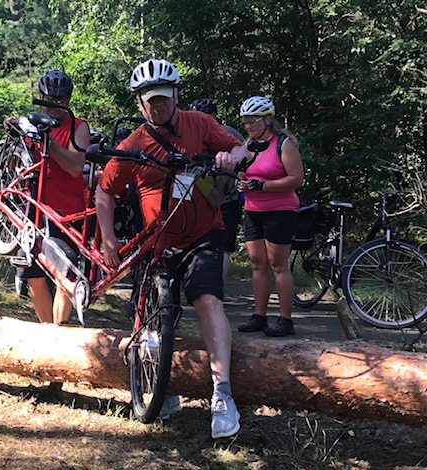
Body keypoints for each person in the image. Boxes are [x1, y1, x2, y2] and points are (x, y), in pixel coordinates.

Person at [95, 59, 249, 439]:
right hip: (157, 243)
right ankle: (163, 387)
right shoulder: (134, 143)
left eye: (164, 99)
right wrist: (109, 239)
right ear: (140, 104)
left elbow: (240, 149)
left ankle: (222, 394)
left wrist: (231, 157)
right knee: (151, 316)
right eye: (152, 101)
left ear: (176, 96)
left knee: (208, 300)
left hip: (203, 234)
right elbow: (104, 190)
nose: (159, 106)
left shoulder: (199, 123)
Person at [15, 69, 90, 326]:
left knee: (64, 273)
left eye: (61, 100)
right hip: (32, 209)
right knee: (33, 274)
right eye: (50, 98)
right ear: (41, 96)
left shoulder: (79, 127)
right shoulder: (30, 125)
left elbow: (75, 166)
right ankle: (47, 331)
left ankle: (59, 332)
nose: (55, 105)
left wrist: (48, 141)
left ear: (69, 100)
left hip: (68, 211)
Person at [236, 96, 304, 337]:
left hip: (280, 210)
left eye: (253, 121)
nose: (248, 125)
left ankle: (285, 320)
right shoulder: (248, 145)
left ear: (267, 120)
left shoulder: (283, 144)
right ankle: (259, 316)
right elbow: (243, 173)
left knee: (278, 264)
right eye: (245, 121)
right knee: (257, 263)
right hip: (254, 211)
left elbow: (296, 178)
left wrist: (263, 186)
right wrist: (242, 182)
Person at [189, 98, 245, 279]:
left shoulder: (226, 133)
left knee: (222, 245)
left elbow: (245, 159)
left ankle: (214, 289)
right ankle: (212, 289)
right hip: (209, 198)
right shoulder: (194, 134)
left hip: (222, 198)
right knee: (220, 245)